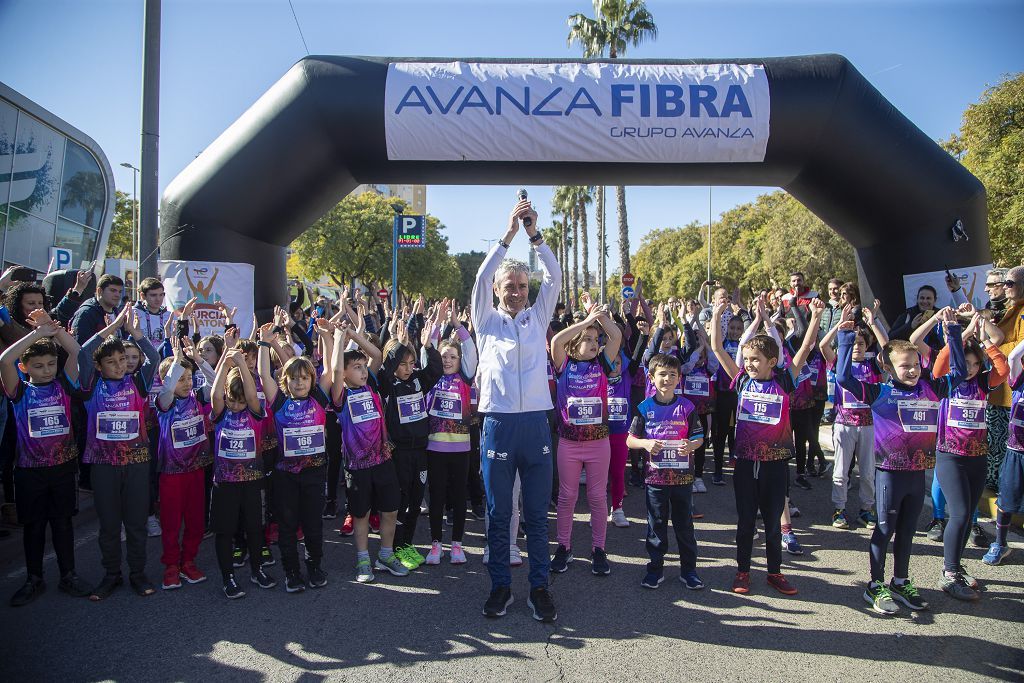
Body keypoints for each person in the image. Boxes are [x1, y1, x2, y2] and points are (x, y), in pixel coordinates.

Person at [837, 308, 965, 616]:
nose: (912, 370)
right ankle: (875, 585)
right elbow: (842, 377)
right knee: (884, 529)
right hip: (889, 475)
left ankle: (901, 581)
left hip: (916, 472)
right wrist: (845, 337)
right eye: (904, 366)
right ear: (888, 368)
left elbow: (959, 373)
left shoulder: (931, 388)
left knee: (907, 531)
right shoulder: (880, 391)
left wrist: (954, 334)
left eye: (915, 364)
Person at [472, 198, 561, 622]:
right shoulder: (485, 321)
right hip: (498, 426)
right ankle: (500, 588)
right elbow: (481, 275)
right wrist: (508, 235)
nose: (516, 291)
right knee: (498, 513)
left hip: (536, 428)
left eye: (522, 286)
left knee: (537, 517)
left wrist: (534, 235)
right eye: (509, 286)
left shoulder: (537, 318)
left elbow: (555, 275)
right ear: (497, 290)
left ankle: (539, 588)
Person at [710, 298, 823, 596]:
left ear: (772, 361)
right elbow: (718, 349)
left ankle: (775, 572)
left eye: (755, 359)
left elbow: (805, 348)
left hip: (775, 463)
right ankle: (743, 572)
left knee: (773, 523)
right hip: (746, 462)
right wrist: (719, 314)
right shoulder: (742, 382)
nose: (749, 364)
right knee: (746, 522)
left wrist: (815, 317)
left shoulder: (786, 381)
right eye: (747, 360)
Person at [1, 311, 91, 606]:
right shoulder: (19, 391)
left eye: (51, 363)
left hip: (64, 468)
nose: (47, 370)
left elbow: (80, 352)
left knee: (63, 523)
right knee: (34, 526)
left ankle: (69, 576)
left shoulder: (64, 385)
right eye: (38, 366)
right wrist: (37, 335)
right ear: (25, 367)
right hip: (29, 471)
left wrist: (52, 329)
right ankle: (34, 578)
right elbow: (4, 360)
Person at [78, 305, 161, 600]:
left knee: (137, 524)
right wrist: (111, 329)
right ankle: (111, 574)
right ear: (100, 367)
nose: (119, 365)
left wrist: (137, 334)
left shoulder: (137, 382)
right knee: (110, 525)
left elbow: (153, 358)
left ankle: (137, 573)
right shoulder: (91, 385)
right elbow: (83, 354)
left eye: (123, 360)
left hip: (137, 463)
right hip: (103, 464)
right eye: (111, 362)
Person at [929, 307, 1007, 600]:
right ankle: (949, 573)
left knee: (967, 516)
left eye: (976, 364)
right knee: (960, 514)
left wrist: (985, 339)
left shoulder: (983, 384)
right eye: (967, 363)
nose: (971, 369)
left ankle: (957, 566)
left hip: (977, 456)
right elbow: (941, 362)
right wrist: (961, 336)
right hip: (950, 455)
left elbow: (1003, 370)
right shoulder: (946, 382)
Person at [257, 319, 334, 592]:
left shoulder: (319, 400)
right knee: (287, 525)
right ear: (286, 381)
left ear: (311, 379)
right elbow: (264, 376)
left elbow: (332, 370)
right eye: (293, 377)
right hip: (285, 475)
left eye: (304, 377)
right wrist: (265, 343)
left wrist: (329, 337)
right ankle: (291, 571)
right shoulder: (279, 401)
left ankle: (314, 566)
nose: (299, 382)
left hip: (314, 473)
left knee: (313, 524)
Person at [332, 323, 409, 583]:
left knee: (390, 510)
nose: (364, 371)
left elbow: (376, 356)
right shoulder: (340, 396)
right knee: (361, 515)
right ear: (343, 375)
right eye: (356, 367)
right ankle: (363, 560)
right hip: (357, 467)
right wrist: (339, 341)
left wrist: (354, 334)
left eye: (363, 367)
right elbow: (333, 369)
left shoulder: (372, 385)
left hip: (383, 460)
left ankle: (385, 555)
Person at [548, 304, 621, 576]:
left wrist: (600, 318)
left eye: (595, 339)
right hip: (568, 442)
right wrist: (586, 322)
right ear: (575, 344)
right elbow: (556, 340)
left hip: (598, 442)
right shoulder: (563, 364)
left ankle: (598, 549)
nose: (594, 343)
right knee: (566, 497)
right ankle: (564, 547)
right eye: (587, 340)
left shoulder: (602, 363)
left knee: (597, 497)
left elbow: (616, 337)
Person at [628, 352, 705, 590]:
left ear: (679, 378)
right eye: (662, 374)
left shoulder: (687, 406)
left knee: (684, 526)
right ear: (651, 377)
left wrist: (692, 445)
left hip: (682, 478)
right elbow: (630, 440)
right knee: (656, 525)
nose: (667, 379)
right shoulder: (644, 407)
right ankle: (655, 569)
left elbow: (699, 436)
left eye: (673, 374)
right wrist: (646, 444)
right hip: (655, 479)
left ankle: (689, 571)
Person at [378, 302, 443, 570]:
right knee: (401, 501)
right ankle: (393, 548)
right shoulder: (388, 384)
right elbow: (384, 370)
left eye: (411, 363)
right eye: (402, 364)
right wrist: (398, 346)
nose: (407, 368)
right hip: (399, 452)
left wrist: (427, 347)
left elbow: (435, 371)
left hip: (421, 451)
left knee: (416, 501)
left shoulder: (418, 379)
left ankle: (407, 545)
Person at [209, 346, 276, 598]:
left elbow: (251, 396)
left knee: (255, 527)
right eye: (231, 399)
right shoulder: (220, 413)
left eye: (240, 400)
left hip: (253, 481)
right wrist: (226, 366)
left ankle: (257, 569)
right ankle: (228, 577)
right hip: (225, 483)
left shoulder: (255, 414)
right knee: (225, 531)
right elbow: (216, 395)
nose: (236, 405)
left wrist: (242, 366)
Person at [819, 304, 888, 530]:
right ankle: (839, 509)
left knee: (868, 473)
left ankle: (866, 510)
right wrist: (840, 328)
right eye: (854, 343)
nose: (857, 347)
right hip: (843, 424)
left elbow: (888, 350)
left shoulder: (873, 366)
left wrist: (874, 321)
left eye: (861, 343)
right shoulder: (839, 363)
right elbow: (822, 345)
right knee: (840, 471)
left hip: (869, 425)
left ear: (867, 345)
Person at [154, 335, 213, 590]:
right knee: (171, 522)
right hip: (171, 473)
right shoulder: (163, 403)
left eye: (189, 378)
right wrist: (176, 361)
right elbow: (167, 391)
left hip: (196, 469)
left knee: (196, 520)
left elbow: (214, 382)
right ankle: (170, 565)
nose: (187, 383)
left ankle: (188, 560)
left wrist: (198, 361)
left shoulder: (198, 397)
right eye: (181, 378)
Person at [424, 305, 478, 565]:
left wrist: (457, 325)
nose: (447, 360)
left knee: (458, 498)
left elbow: (471, 351)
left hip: (461, 450)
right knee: (436, 497)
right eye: (444, 356)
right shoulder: (432, 377)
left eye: (452, 357)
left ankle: (457, 544)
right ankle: (436, 545)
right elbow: (429, 354)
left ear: (459, 362)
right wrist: (435, 323)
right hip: (435, 449)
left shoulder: (466, 379)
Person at [984, 333, 1024, 566]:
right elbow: (1014, 356)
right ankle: (1000, 543)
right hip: (1015, 452)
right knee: (1006, 500)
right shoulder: (1019, 379)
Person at [134, 277, 170, 347]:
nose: (158, 299)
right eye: (153, 295)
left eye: (161, 295)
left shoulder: (169, 316)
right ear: (143, 296)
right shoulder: (133, 313)